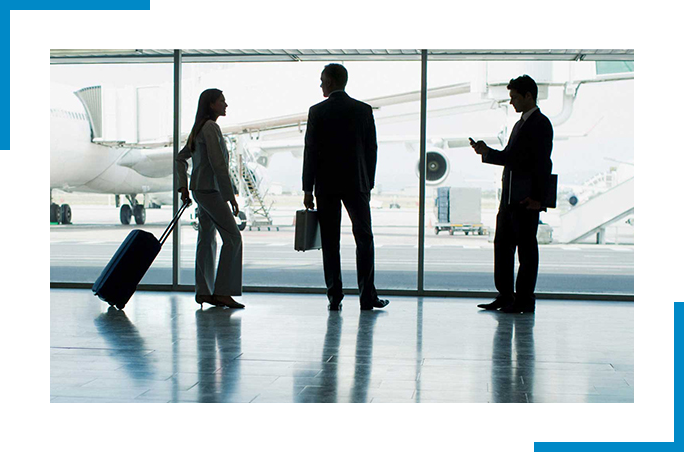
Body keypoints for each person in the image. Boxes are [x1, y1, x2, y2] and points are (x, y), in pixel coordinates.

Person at [302, 63, 389, 311]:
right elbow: (371, 149)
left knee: (330, 242)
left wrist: (308, 188)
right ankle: (367, 297)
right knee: (364, 238)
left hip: (326, 185)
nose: (320, 85)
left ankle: (334, 296)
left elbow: (311, 152)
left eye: (321, 80)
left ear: (329, 82)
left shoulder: (317, 112)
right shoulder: (362, 110)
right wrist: (367, 182)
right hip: (356, 183)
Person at [470, 75, 553, 314]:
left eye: (514, 97)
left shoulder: (541, 123)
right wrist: (486, 153)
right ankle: (506, 296)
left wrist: (538, 199)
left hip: (526, 200)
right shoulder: (521, 124)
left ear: (529, 96)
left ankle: (523, 299)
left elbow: (542, 163)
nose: (511, 102)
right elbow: (511, 157)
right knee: (503, 247)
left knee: (526, 252)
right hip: (510, 199)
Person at [176, 88, 244, 309]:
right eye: (222, 101)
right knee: (233, 238)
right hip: (211, 191)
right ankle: (223, 292)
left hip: (199, 189)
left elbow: (181, 159)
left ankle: (204, 291)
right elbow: (218, 164)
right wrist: (229, 195)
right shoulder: (211, 127)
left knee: (206, 240)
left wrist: (184, 187)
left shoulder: (199, 128)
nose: (226, 104)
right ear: (212, 105)